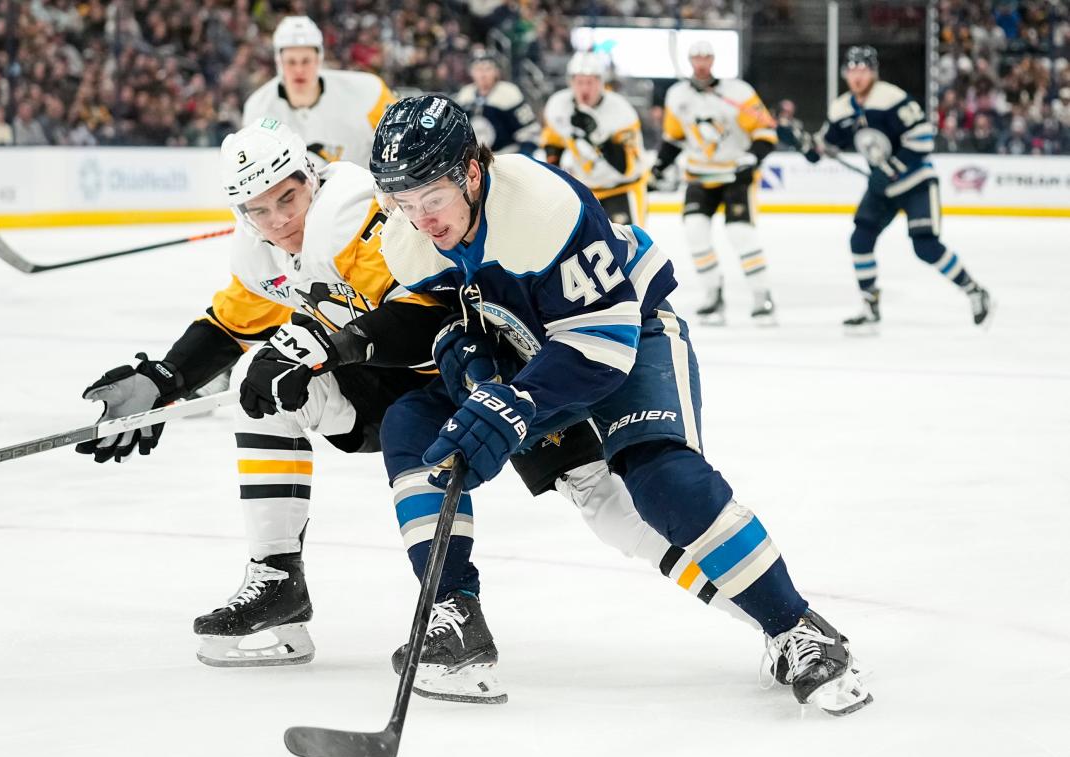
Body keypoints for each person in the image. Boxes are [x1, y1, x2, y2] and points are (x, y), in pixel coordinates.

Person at [75, 119, 689, 680]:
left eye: (288, 198)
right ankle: (281, 580)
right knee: (257, 394)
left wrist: (321, 339)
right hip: (394, 399)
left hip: (476, 379)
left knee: (609, 507)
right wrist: (162, 378)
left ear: (311, 175)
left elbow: (428, 313)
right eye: (259, 211)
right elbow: (231, 323)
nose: (280, 221)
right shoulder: (265, 253)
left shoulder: (359, 219)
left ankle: (764, 607)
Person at [370, 94, 873, 716]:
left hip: (627, 329)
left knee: (660, 478)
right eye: (403, 203)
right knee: (412, 423)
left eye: (432, 199)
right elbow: (455, 310)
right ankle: (454, 613)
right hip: (533, 347)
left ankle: (797, 627)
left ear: (472, 173)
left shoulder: (542, 206)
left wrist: (514, 405)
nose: (420, 219)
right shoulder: (408, 239)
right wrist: (463, 354)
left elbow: (603, 344)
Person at [779, 46, 991, 329]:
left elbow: (923, 139)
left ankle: (974, 291)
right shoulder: (841, 107)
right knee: (860, 240)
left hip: (916, 181)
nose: (857, 76)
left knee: (925, 246)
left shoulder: (892, 99)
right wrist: (799, 141)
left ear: (873, 73)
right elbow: (823, 148)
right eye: (852, 70)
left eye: (863, 70)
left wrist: (890, 169)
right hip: (884, 187)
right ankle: (870, 305)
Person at [653, 41, 779, 325]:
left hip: (734, 174)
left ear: (713, 59)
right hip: (699, 174)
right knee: (695, 232)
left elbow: (766, 130)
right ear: (689, 60)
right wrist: (660, 165)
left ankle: (762, 296)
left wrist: (753, 157)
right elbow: (673, 138)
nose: (701, 63)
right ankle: (713, 294)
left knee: (740, 233)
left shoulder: (738, 92)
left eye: (706, 57)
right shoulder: (677, 95)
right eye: (696, 57)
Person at [241, 16, 396, 166]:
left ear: (318, 59)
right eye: (291, 61)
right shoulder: (258, 109)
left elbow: (404, 135)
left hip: (366, 190)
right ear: (279, 62)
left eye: (306, 61)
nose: (299, 69)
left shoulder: (368, 91)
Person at [541, 51, 649, 225]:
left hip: (622, 190)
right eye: (579, 82)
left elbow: (627, 167)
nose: (585, 88)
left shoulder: (621, 111)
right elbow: (553, 141)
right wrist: (554, 176)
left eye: (590, 82)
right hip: (583, 193)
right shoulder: (559, 105)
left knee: (628, 250)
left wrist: (597, 136)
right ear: (571, 82)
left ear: (601, 83)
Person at [454, 50, 539, 156]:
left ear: (496, 71)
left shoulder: (509, 92)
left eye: (488, 69)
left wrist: (524, 155)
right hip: (474, 158)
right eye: (478, 69)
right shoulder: (465, 95)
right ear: (471, 72)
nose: (483, 74)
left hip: (506, 155)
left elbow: (529, 130)